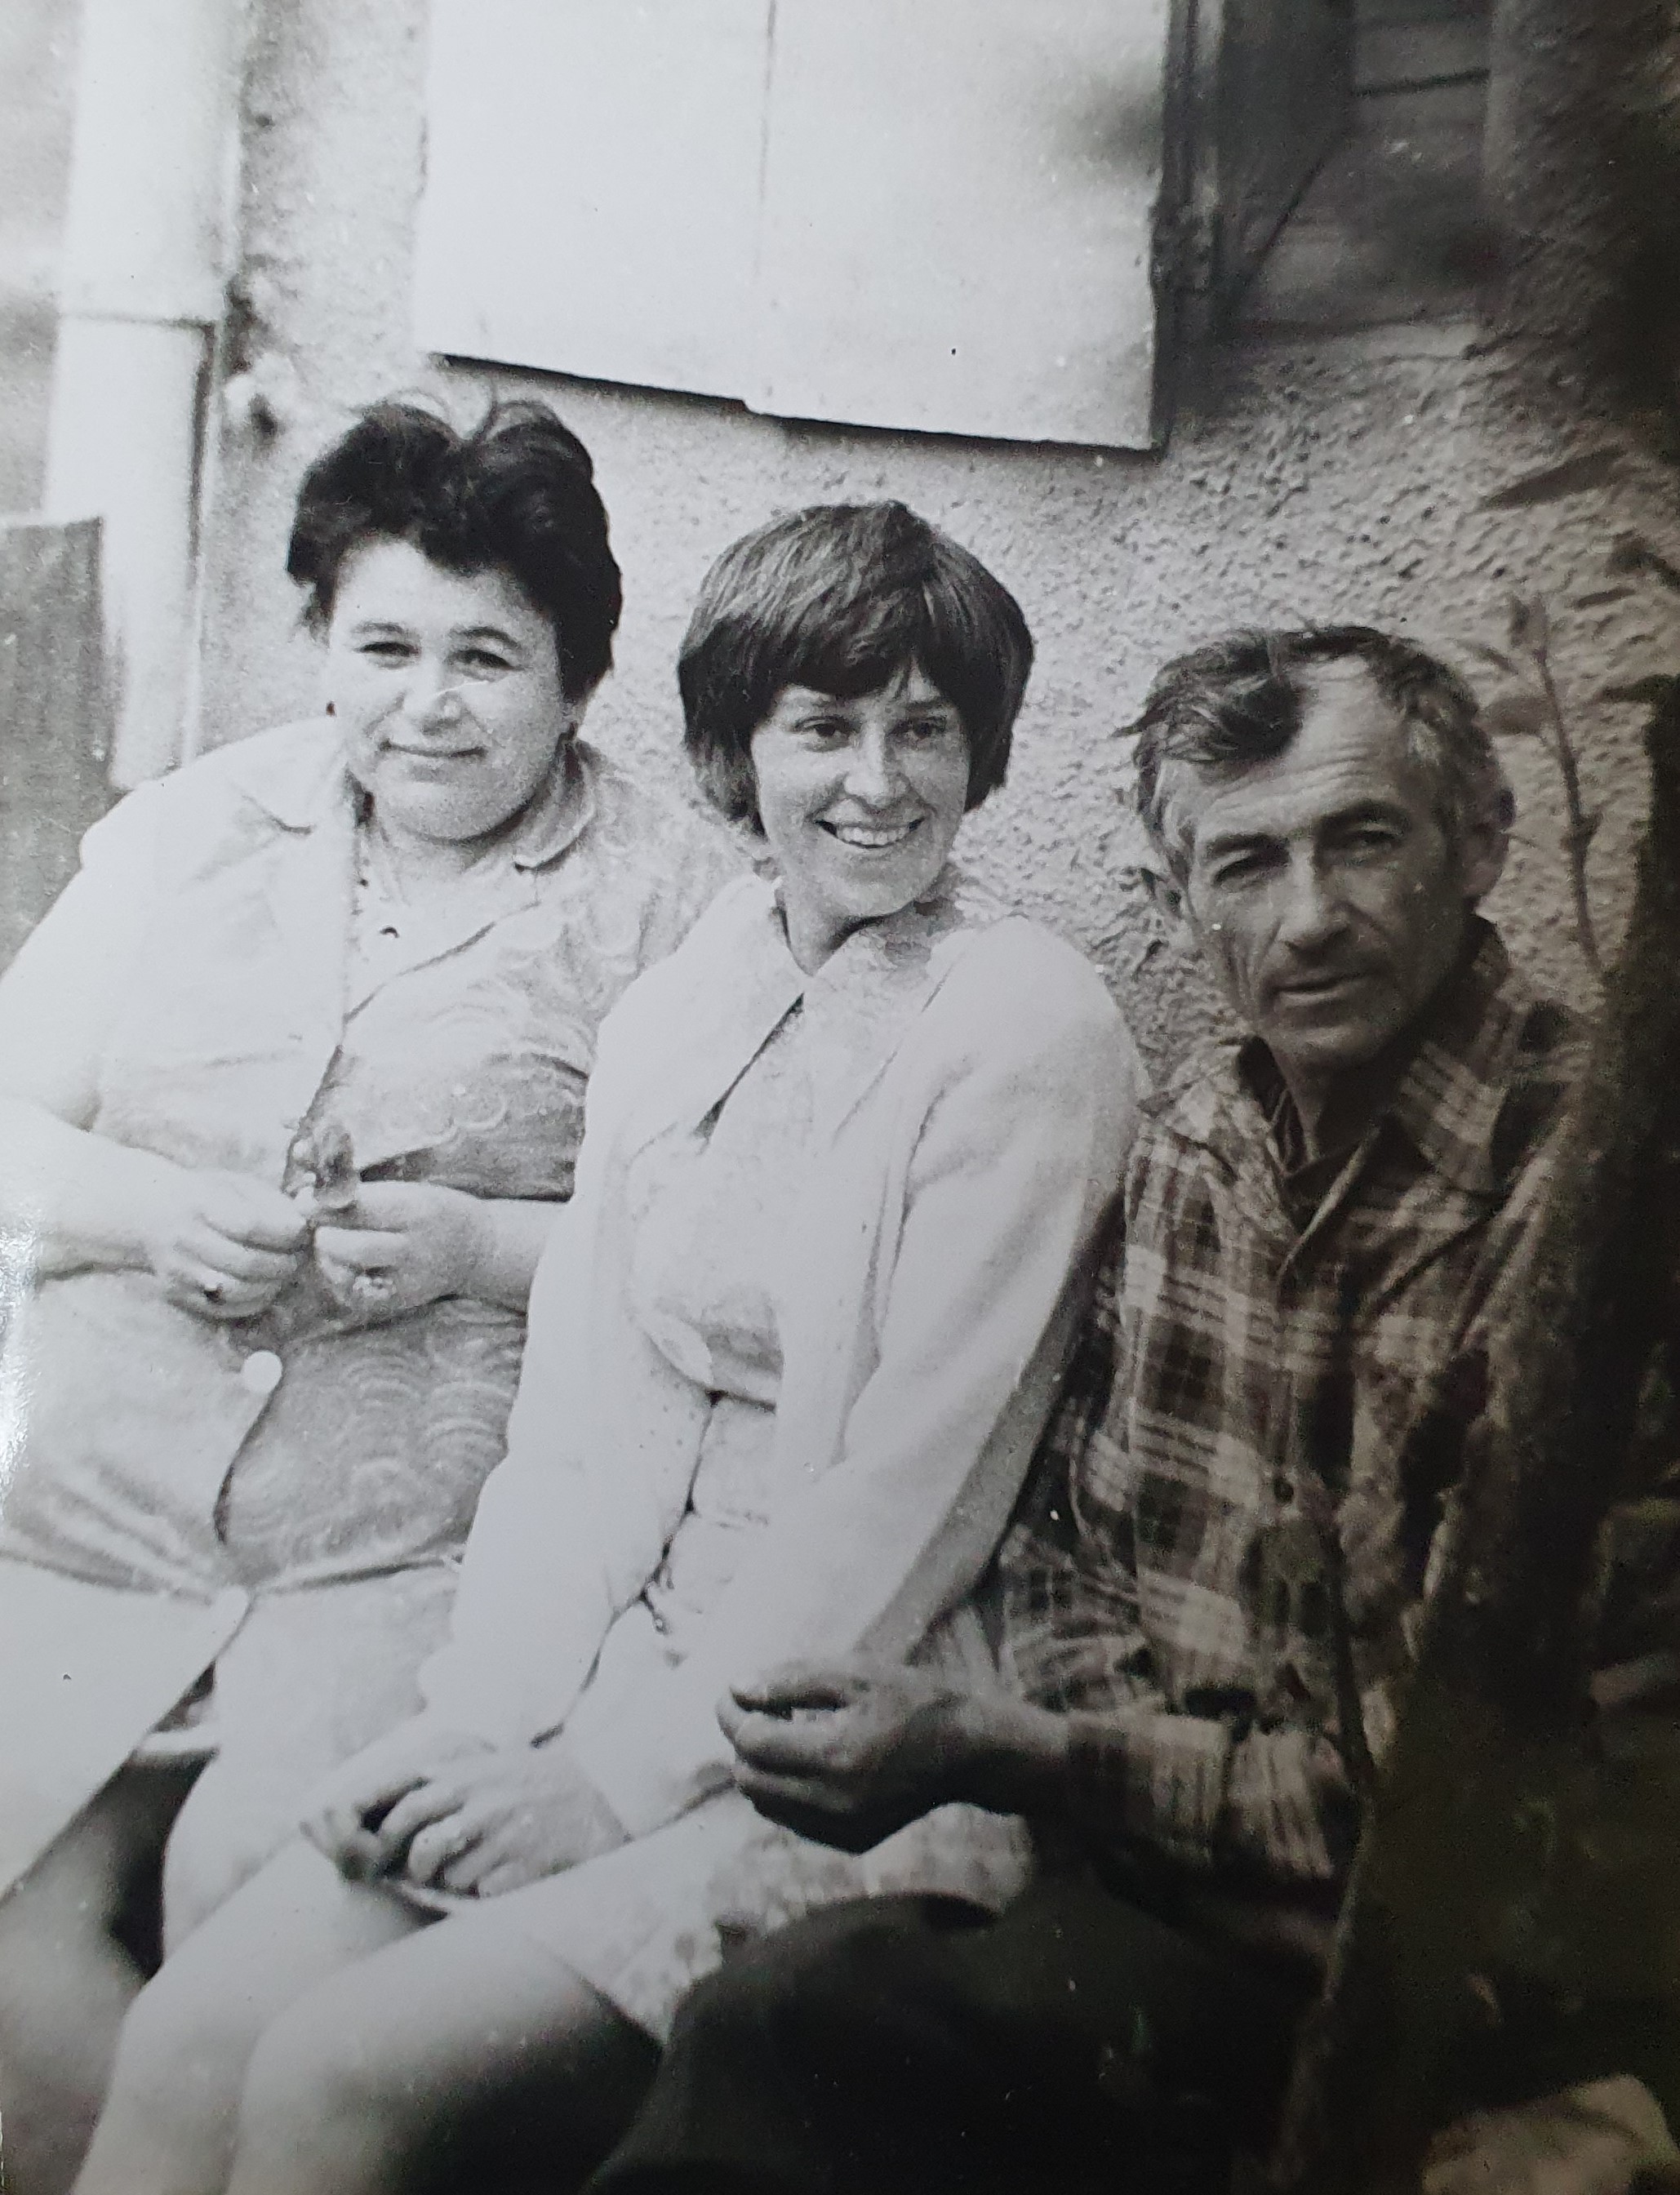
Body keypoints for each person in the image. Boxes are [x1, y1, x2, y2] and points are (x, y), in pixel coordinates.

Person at [70, 500, 1144, 2195]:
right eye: (824, 729)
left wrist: (611, 1781)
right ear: (734, 752)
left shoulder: (1025, 1028)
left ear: (982, 754)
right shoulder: (694, 992)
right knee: (187, 2043)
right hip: (593, 1690)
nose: (878, 782)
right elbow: (582, 1427)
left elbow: (914, 1497)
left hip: (837, 1731)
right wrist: (487, 1721)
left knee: (339, 2081)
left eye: (926, 730)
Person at [578, 625, 1673, 2195]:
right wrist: (1113, 1786)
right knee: (777, 2021)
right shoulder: (1195, 1143)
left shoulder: (1593, 1212)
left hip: (1472, 1992)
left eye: (1363, 840)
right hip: (1173, 1910)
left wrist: (1028, 1753)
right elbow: (1066, 1553)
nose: (1310, 915)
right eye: (1246, 862)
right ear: (1173, 902)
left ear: (1483, 843)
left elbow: (1492, 1783)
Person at [0, 398, 736, 2195]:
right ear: (320, 646)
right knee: (15, 1980)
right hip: (87, 1529)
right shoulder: (190, 832)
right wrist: (158, 1211)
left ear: (577, 681)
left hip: (401, 1559)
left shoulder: (675, 909)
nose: (429, 704)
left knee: (237, 1908)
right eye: (384, 646)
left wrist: (482, 1246)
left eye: (487, 656)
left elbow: (721, 1260)